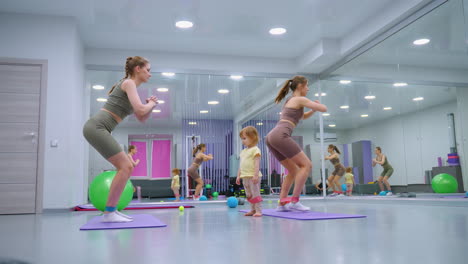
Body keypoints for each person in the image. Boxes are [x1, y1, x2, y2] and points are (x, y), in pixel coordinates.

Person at [83, 56, 157, 222]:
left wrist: (150, 106)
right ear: (137, 69)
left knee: (127, 166)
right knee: (125, 166)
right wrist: (151, 104)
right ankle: (109, 213)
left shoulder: (131, 87)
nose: (150, 74)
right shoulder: (129, 82)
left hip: (100, 128)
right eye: (148, 70)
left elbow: (142, 116)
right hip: (97, 127)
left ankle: (111, 211)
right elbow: (141, 109)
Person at [265, 76, 327, 211]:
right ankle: (295, 201)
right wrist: (316, 104)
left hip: (272, 136)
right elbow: (324, 108)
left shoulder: (291, 100)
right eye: (307, 86)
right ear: (300, 86)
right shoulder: (300, 99)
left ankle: (282, 204)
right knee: (307, 165)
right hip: (280, 134)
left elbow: (302, 116)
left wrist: (312, 109)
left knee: (293, 170)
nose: (308, 88)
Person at [236, 126, 263, 217]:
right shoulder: (243, 151)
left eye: (244, 138)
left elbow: (256, 164)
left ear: (253, 137)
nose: (243, 141)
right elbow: (241, 165)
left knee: (255, 193)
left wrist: (255, 175)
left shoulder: (255, 150)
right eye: (241, 139)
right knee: (249, 194)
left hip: (253, 176)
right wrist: (238, 176)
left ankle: (258, 210)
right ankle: (252, 209)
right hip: (245, 176)